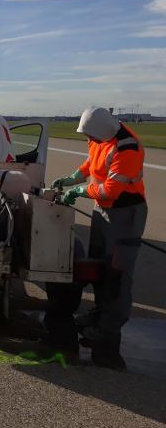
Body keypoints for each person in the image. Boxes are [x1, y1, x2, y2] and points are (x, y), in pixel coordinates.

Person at [51, 107, 147, 371]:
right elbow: (90, 163)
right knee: (99, 266)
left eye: (90, 136)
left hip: (124, 214)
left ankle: (109, 337)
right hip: (103, 209)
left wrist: (80, 190)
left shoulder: (128, 148)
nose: (88, 141)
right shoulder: (100, 140)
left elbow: (111, 190)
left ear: (102, 132)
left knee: (117, 274)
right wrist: (75, 177)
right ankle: (100, 317)